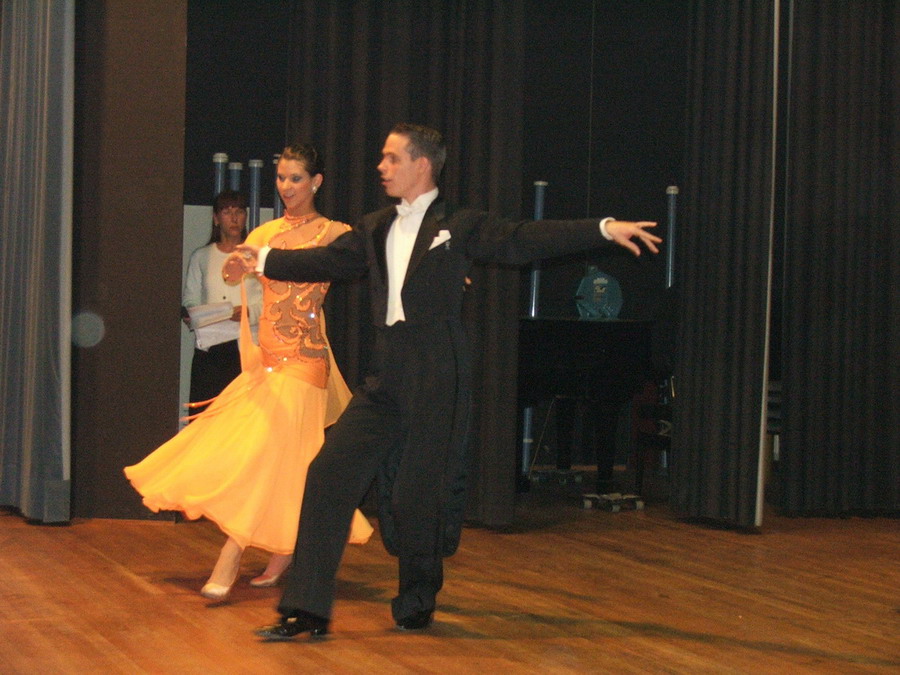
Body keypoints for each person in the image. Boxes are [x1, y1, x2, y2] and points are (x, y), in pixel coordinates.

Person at [240, 123, 661, 640]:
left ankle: (417, 599)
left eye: (392, 158)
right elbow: (328, 259)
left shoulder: (458, 224)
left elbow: (522, 239)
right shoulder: (375, 226)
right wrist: (263, 258)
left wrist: (602, 228)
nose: (381, 167)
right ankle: (306, 609)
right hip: (386, 372)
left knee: (416, 496)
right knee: (328, 473)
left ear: (422, 165)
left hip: (439, 371)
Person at [125, 143, 372, 602]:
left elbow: (371, 262)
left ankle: (232, 554)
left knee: (268, 454)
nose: (285, 187)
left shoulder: (334, 233)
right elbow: (232, 278)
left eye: (295, 178)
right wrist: (238, 265)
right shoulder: (265, 232)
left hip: (304, 362)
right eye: (281, 178)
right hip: (267, 361)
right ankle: (284, 552)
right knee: (279, 461)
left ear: (316, 182)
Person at [182, 190, 262, 416]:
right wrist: (195, 315)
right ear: (216, 218)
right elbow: (190, 299)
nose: (234, 218)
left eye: (239, 212)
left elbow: (270, 301)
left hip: (246, 347)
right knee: (207, 415)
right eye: (227, 212)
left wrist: (249, 312)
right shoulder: (201, 257)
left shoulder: (256, 257)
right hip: (211, 348)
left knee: (243, 417)